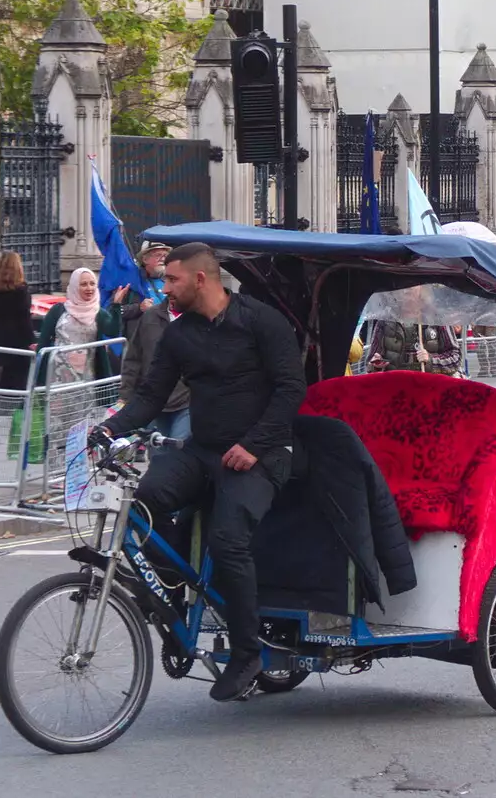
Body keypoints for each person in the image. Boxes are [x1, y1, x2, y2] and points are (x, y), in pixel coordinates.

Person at [92, 242, 305, 702]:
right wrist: (108, 429)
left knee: (228, 541)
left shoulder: (260, 321)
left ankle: (248, 653)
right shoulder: (179, 334)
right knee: (142, 503)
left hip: (262, 454)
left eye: (172, 280)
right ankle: (172, 590)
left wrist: (253, 445)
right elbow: (150, 396)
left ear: (201, 280)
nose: (165, 288)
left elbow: (291, 390)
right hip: (203, 450)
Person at [119, 293, 192, 443]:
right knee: (157, 456)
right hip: (153, 403)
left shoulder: (198, 317)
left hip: (186, 403)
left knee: (175, 454)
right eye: (169, 280)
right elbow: (134, 358)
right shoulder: (150, 316)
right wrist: (125, 395)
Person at [37, 268, 121, 384]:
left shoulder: (98, 313)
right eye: (83, 284)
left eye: (92, 284)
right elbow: (43, 341)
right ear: (75, 286)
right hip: (57, 377)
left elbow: (113, 331)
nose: (89, 288)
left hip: (87, 379)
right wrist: (37, 375)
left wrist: (116, 305)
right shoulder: (58, 310)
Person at [0, 252, 35, 392]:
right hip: (16, 344)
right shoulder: (21, 291)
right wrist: (31, 341)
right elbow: (24, 319)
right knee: (16, 385)